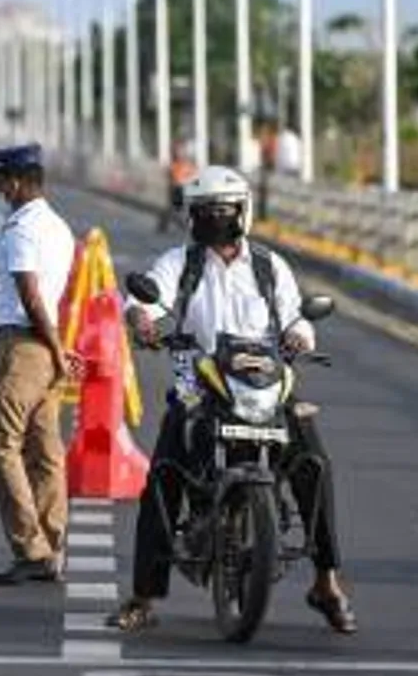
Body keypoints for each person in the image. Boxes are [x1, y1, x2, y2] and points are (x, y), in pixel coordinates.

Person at [107, 165, 357, 634]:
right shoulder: (180, 263)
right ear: (191, 216)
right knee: (163, 476)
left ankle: (326, 583)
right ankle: (143, 596)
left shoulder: (269, 266)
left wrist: (301, 336)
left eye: (224, 210)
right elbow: (147, 301)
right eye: (205, 211)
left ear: (244, 211)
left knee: (314, 467)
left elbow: (296, 318)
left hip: (266, 385)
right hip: (200, 387)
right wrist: (142, 319)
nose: (215, 219)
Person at [0, 142, 79, 586]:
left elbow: (30, 293)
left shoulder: (21, 230)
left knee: (1, 444)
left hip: (23, 344)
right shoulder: (59, 226)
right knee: (45, 452)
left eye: (2, 183)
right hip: (46, 346)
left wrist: (55, 348)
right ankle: (51, 545)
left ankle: (30, 548)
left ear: (17, 182)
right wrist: (58, 348)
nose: (0, 191)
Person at [160, 141, 195, 234]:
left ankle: (166, 225)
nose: (180, 153)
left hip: (182, 187)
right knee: (174, 208)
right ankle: (179, 225)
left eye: (182, 150)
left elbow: (192, 173)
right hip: (175, 188)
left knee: (177, 208)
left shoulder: (185, 163)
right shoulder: (174, 164)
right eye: (178, 151)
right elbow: (172, 176)